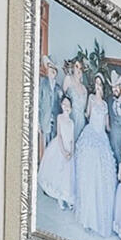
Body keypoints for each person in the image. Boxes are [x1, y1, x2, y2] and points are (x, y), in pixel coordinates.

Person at [73, 73, 116, 240]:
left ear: (103, 87)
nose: (98, 87)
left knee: (103, 175)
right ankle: (87, 216)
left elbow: (106, 125)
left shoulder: (105, 105)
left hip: (101, 137)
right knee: (88, 174)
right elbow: (88, 115)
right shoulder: (91, 98)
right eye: (96, 84)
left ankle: (100, 216)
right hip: (91, 134)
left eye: (100, 84)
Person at [36, 97, 78, 231]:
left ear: (71, 108)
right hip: (60, 147)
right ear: (61, 106)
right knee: (58, 173)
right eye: (64, 104)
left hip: (69, 149)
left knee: (68, 175)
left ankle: (67, 196)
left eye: (68, 105)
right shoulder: (60, 118)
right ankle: (60, 197)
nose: (66, 106)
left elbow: (71, 139)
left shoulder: (72, 122)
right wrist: (63, 151)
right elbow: (60, 136)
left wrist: (70, 152)